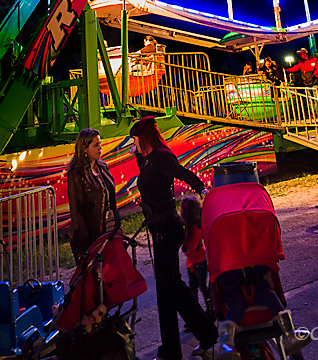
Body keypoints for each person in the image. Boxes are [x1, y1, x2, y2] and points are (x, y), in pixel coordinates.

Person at [131, 115, 218, 360]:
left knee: (166, 290)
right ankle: (205, 336)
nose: (133, 143)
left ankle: (175, 349)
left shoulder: (161, 157)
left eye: (135, 138)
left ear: (144, 137)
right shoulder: (148, 160)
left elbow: (182, 173)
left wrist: (201, 188)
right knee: (172, 288)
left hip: (167, 229)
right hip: (160, 228)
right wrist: (139, 158)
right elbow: (150, 183)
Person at [67, 128, 119, 261]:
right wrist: (85, 244)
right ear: (85, 149)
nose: (100, 148)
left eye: (100, 144)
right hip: (90, 234)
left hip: (109, 228)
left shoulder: (102, 167)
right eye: (95, 145)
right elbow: (77, 210)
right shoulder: (77, 174)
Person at [180, 194, 213, 320]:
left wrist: (184, 244)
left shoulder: (194, 227)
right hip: (193, 261)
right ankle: (198, 314)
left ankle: (210, 312)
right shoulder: (193, 225)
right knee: (193, 287)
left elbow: (192, 244)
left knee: (201, 286)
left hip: (198, 261)